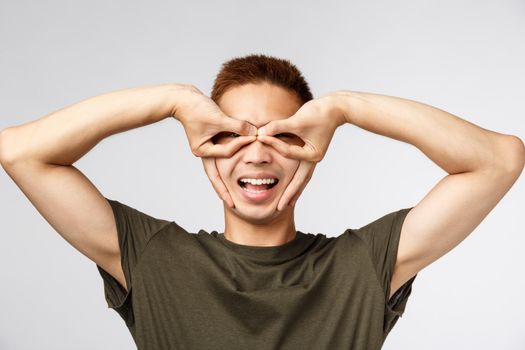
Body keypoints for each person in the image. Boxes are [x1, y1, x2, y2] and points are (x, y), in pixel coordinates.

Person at [0, 54, 523, 350]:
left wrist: (344, 108)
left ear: (309, 152)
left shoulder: (363, 265)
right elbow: (21, 152)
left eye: (282, 136)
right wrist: (173, 101)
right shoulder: (152, 257)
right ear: (206, 148)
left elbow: (499, 160)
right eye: (233, 134)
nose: (257, 153)